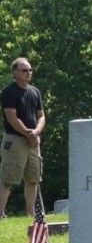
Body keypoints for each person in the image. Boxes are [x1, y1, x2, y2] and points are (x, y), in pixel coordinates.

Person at [0, 57, 45, 217]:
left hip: (33, 141)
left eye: (30, 70)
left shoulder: (35, 92)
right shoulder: (9, 92)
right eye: (25, 70)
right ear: (15, 72)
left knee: (33, 179)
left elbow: (41, 116)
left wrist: (36, 132)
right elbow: (12, 117)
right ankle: (1, 214)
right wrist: (28, 133)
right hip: (15, 140)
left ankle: (30, 215)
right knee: (8, 179)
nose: (28, 73)